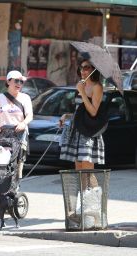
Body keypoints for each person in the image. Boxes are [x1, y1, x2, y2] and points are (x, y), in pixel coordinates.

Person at [59, 59, 105, 189]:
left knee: (87, 169)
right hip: (76, 128)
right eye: (81, 67)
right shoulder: (81, 84)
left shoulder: (97, 87)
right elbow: (80, 110)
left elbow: (93, 112)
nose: (82, 70)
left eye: (86, 67)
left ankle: (95, 198)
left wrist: (83, 92)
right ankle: (83, 199)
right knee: (79, 169)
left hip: (88, 131)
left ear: (93, 69)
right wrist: (66, 116)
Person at [0, 70, 33, 178]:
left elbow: (30, 115)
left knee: (18, 161)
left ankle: (15, 186)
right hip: (3, 133)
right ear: (8, 81)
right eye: (16, 81)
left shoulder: (25, 98)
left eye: (21, 81)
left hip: (19, 133)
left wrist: (23, 123)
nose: (19, 84)